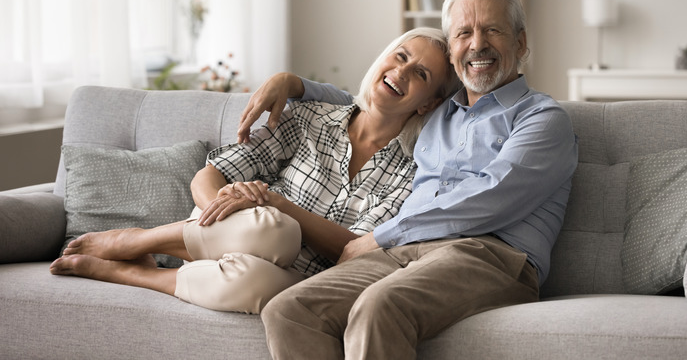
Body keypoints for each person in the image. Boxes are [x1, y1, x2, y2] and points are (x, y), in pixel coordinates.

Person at [239, 0, 579, 359]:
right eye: (463, 33)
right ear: (452, 51)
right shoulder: (437, 112)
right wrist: (294, 83)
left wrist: (382, 235)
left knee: (379, 307)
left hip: (493, 256)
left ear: (520, 42)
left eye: (492, 30)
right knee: (290, 309)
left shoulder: (543, 119)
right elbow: (372, 101)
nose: (477, 44)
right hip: (407, 251)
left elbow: (492, 195)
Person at [49, 27, 461, 314]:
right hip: (243, 231)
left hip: (301, 279)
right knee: (272, 230)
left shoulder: (415, 171)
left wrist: (278, 202)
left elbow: (353, 250)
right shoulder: (311, 119)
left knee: (263, 280)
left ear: (426, 103)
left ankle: (126, 271)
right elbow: (208, 176)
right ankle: (138, 240)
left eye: (420, 74)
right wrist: (221, 218)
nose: (401, 72)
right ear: (385, 57)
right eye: (400, 57)